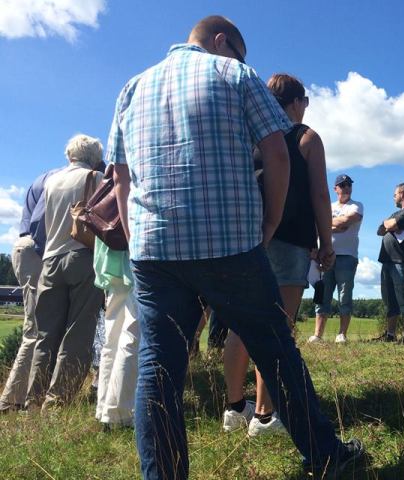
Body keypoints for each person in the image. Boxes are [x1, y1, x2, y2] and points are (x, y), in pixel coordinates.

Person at [109, 16, 362, 479]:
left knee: (158, 367)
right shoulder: (236, 74)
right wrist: (268, 222)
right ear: (222, 42)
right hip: (228, 241)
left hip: (154, 249)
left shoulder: (132, 88)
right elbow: (277, 152)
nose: (243, 61)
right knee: (275, 348)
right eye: (239, 52)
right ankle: (326, 454)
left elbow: (121, 176)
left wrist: (135, 237)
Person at [226, 72, 335, 437]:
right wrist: (326, 243)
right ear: (296, 102)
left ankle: (233, 407)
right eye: (305, 101)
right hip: (290, 241)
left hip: (248, 240)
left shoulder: (250, 137)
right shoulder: (306, 138)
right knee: (278, 328)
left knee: (241, 324)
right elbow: (321, 195)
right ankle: (265, 416)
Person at [25, 134, 105, 410]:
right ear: (95, 156)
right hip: (82, 256)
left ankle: (33, 399)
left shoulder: (51, 181)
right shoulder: (94, 179)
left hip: (50, 260)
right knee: (78, 332)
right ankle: (58, 401)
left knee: (45, 335)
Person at [0, 167, 60, 412]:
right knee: (35, 328)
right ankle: (12, 400)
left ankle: (26, 395)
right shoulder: (62, 180)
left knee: (38, 325)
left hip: (27, 248)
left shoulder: (47, 176)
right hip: (37, 249)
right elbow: (39, 223)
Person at [310, 174, 363, 343]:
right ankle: (318, 334)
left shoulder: (357, 205)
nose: (346, 187)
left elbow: (346, 221)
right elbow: (318, 225)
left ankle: (342, 334)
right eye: (342, 185)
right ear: (336, 189)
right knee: (322, 294)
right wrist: (334, 225)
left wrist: (326, 225)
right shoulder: (328, 206)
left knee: (344, 295)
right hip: (325, 255)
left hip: (347, 256)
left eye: (349, 184)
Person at [93, 231, 138, 428]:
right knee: (131, 337)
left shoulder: (100, 196)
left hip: (109, 262)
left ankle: (104, 407)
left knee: (111, 341)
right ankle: (119, 413)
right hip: (131, 260)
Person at [376, 183, 404, 343]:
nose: (393, 196)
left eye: (395, 193)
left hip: (402, 261)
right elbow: (380, 230)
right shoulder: (397, 212)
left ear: (402, 193)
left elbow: (390, 225)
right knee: (389, 299)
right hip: (387, 260)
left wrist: (390, 224)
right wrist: (388, 224)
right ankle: (390, 334)